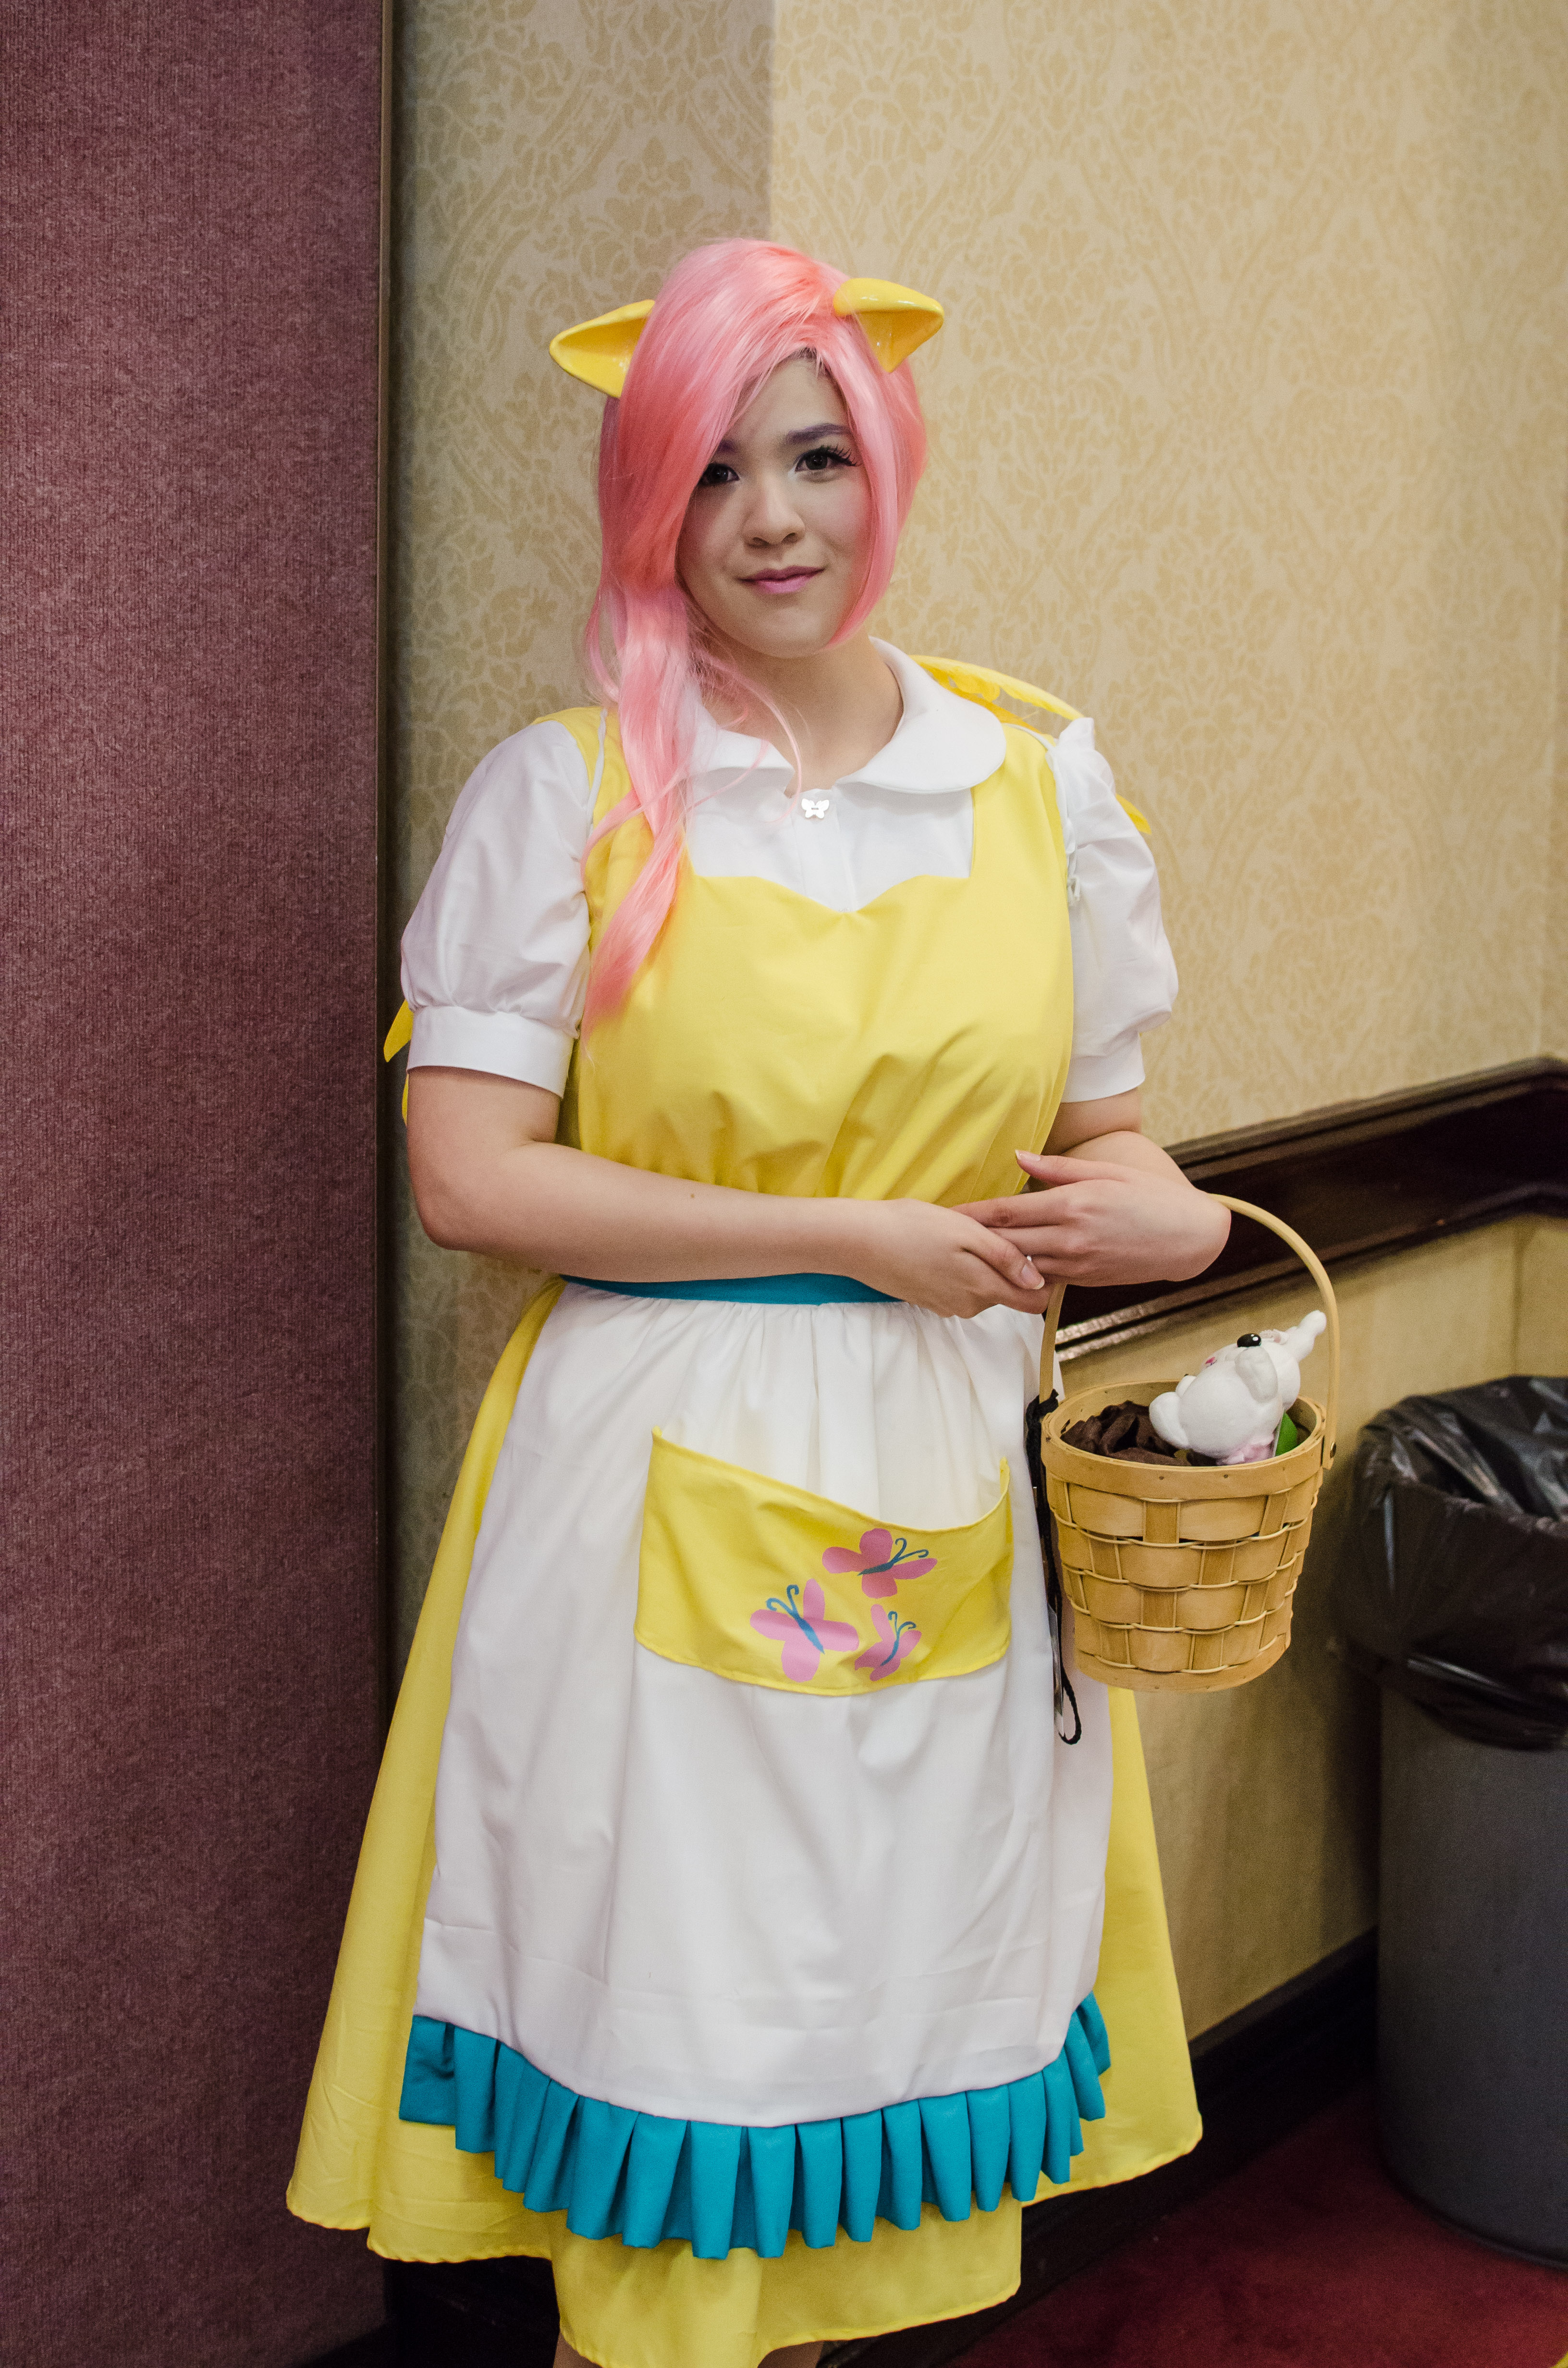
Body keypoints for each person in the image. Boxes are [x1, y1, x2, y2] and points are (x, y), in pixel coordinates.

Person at [289, 239, 1229, 2368]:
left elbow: (1110, 1140)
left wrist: (1170, 1224)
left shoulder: (1035, 785)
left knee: (875, 2010)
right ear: (648, 504)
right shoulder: (570, 792)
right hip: (651, 1469)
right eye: (711, 473)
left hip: (947, 1472)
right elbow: (471, 1177)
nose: (772, 518)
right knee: (678, 2025)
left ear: (891, 465)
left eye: (817, 457)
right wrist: (858, 1240)